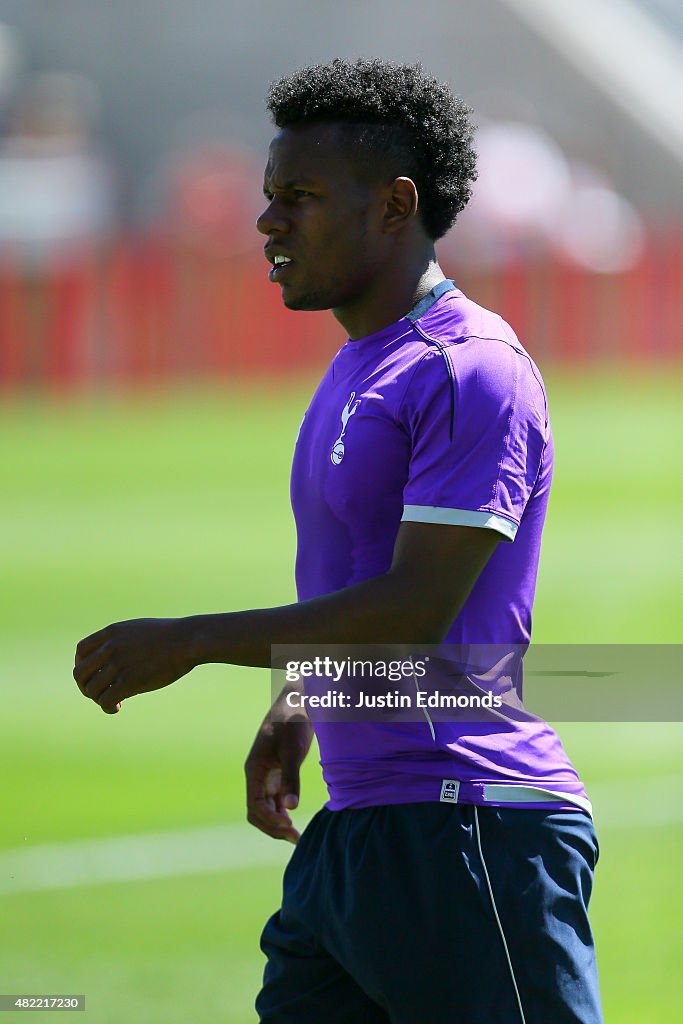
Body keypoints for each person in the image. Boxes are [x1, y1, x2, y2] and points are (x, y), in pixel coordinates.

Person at [74, 58, 603, 1024]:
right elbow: (359, 577)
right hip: (357, 836)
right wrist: (299, 703)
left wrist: (189, 640)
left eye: (301, 198)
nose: (268, 224)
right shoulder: (363, 363)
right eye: (269, 198)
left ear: (395, 205)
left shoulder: (465, 368)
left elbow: (410, 610)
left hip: (468, 828)